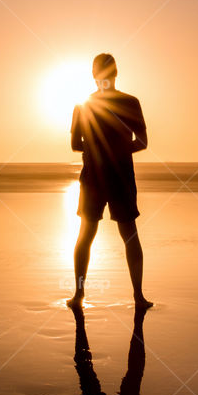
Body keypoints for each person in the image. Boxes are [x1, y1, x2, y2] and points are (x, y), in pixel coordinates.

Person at [68, 53, 152, 309]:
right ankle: (138, 296)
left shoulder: (84, 105)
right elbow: (142, 142)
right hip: (118, 175)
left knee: (87, 234)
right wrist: (119, 151)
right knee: (127, 235)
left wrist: (99, 151)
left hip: (96, 176)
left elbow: (75, 144)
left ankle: (79, 295)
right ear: (115, 73)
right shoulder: (129, 102)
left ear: (94, 74)